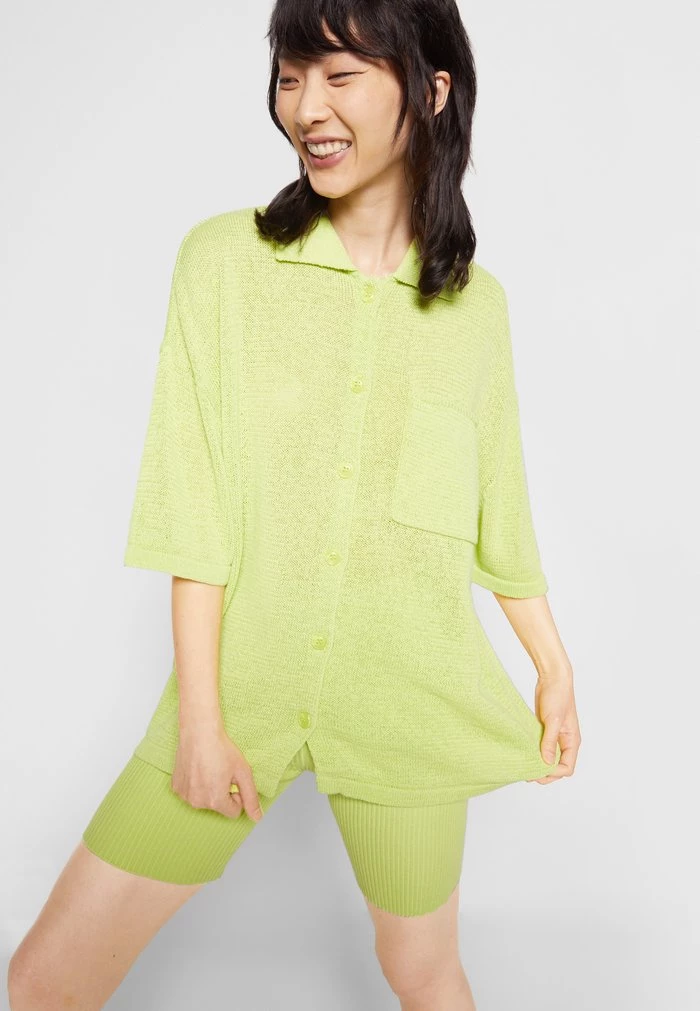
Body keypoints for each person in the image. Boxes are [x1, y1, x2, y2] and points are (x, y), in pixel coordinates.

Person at [7, 2, 581, 1009]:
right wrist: (201, 719)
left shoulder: (473, 307)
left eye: (340, 76)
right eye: (289, 76)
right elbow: (192, 502)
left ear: (431, 91)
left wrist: (553, 665)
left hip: (409, 701)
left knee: (423, 969)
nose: (306, 106)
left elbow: (499, 504)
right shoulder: (223, 264)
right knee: (45, 982)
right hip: (239, 694)